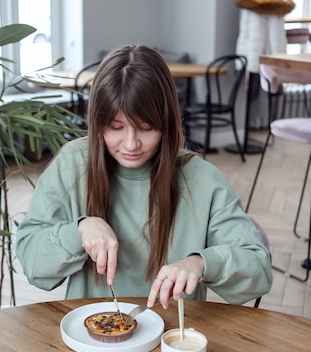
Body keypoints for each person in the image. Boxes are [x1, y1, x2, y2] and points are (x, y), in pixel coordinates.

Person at [16, 45, 272, 309]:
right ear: (97, 122)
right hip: (90, 341)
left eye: (146, 128)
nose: (131, 144)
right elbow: (33, 265)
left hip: (172, 343)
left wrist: (201, 263)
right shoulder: (72, 164)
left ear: (167, 123)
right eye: (116, 127)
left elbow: (258, 272)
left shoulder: (202, 180)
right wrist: (80, 230)